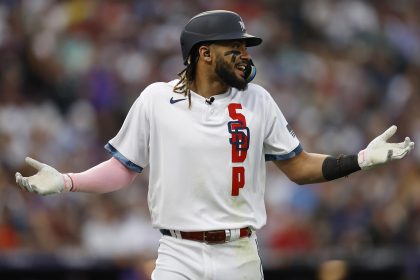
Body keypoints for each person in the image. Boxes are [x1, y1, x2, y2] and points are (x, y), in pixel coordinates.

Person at [15, 10, 414, 280]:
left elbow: (299, 166)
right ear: (204, 54)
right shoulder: (156, 98)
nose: (244, 56)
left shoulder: (258, 100)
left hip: (238, 254)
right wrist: (68, 181)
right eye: (234, 48)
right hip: (176, 254)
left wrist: (359, 159)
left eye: (244, 48)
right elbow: (123, 168)